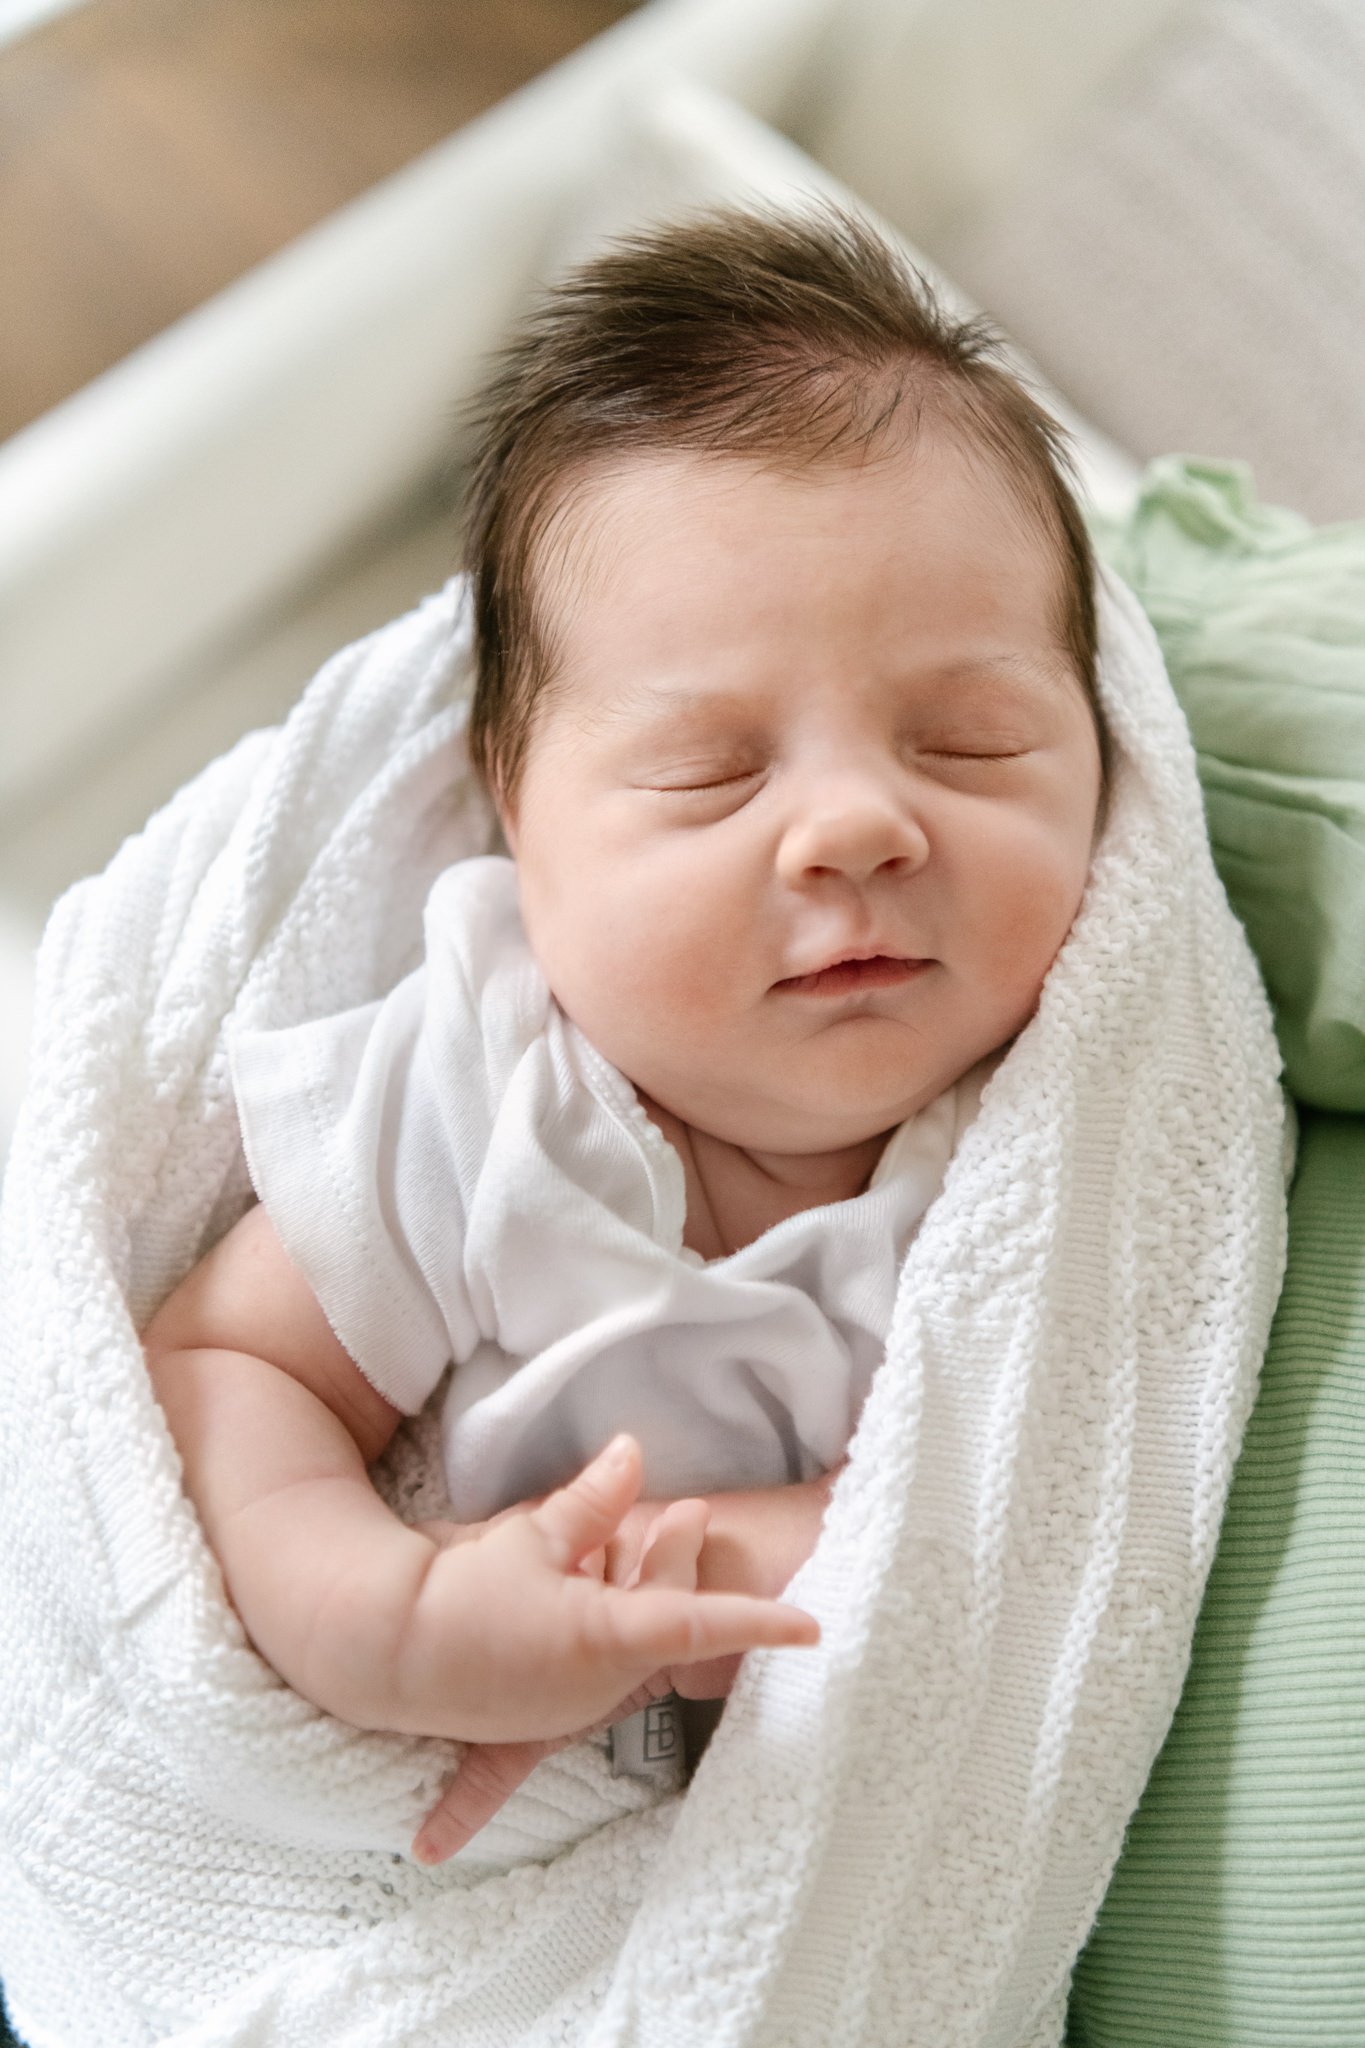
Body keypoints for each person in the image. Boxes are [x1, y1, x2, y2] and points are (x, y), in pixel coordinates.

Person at [141, 205, 1105, 1871]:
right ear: (518, 817)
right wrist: (397, 1609)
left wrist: (718, 1566)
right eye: (710, 774)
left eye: (967, 742)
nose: (856, 828)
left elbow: (1047, 1508)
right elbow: (228, 1368)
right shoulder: (489, 1084)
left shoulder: (1053, 1142)